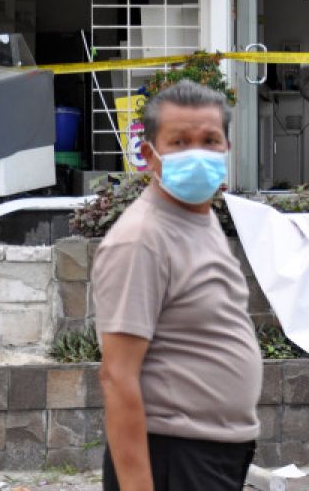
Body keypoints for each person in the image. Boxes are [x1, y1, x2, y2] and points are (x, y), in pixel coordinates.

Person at [92, 80, 262, 491]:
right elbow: (117, 376)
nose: (196, 153)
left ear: (226, 149)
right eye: (179, 142)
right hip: (172, 454)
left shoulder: (200, 219)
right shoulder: (142, 239)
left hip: (212, 452)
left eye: (209, 140)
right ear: (150, 156)